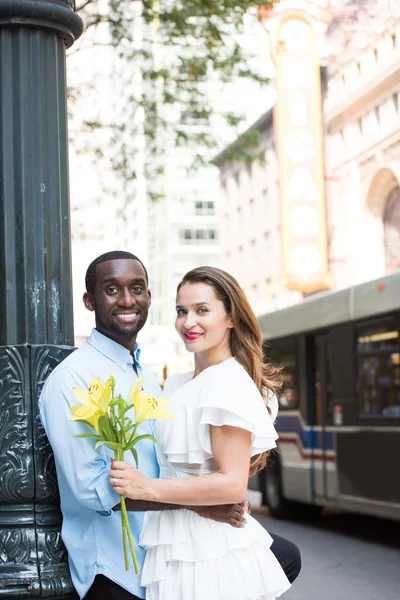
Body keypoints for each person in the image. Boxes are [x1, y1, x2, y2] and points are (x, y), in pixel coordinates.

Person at [39, 252, 300, 600]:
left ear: (149, 297)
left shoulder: (149, 377)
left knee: (279, 558)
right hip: (117, 566)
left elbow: (219, 477)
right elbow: (93, 491)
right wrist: (198, 503)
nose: (127, 300)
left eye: (137, 288)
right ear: (90, 301)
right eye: (112, 290)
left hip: (168, 551)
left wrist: (208, 496)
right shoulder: (73, 378)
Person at [109, 265, 297, 600]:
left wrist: (146, 487)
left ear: (231, 318)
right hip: (177, 541)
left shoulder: (228, 382)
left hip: (211, 551)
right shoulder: (179, 382)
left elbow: (232, 483)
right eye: (182, 311)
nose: (188, 322)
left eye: (202, 310)